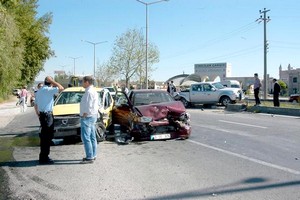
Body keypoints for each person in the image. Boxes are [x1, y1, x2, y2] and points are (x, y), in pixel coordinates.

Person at [34, 76, 64, 164]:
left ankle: (43, 156)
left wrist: (38, 114)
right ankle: (44, 157)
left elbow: (35, 105)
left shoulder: (39, 91)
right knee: (47, 137)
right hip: (47, 116)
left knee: (44, 137)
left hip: (43, 115)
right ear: (50, 83)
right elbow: (61, 88)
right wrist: (53, 81)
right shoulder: (47, 90)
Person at [80, 76, 99, 164]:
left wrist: (84, 114)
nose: (81, 83)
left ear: (87, 82)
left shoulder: (89, 92)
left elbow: (88, 105)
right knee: (92, 137)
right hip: (92, 116)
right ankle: (93, 155)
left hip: (87, 117)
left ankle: (89, 157)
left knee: (86, 137)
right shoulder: (92, 91)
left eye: (82, 82)